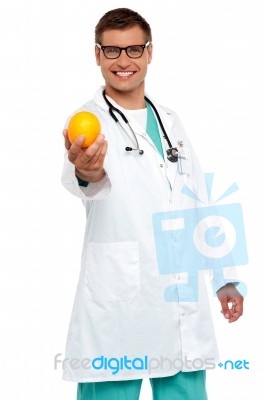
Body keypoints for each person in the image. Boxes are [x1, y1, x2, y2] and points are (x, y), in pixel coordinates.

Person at [61, 7, 244, 400]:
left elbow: (199, 198)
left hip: (181, 293)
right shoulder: (88, 121)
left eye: (133, 50)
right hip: (119, 299)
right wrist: (86, 171)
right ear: (97, 56)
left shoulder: (170, 121)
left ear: (149, 53)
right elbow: (84, 180)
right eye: (112, 52)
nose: (123, 61)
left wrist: (224, 276)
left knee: (185, 388)